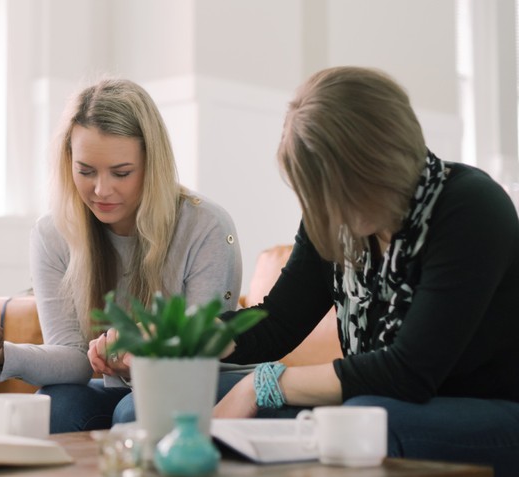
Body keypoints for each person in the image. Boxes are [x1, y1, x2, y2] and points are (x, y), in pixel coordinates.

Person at [215, 66, 519, 473]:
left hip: (491, 413)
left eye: (340, 187)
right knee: (162, 401)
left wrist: (262, 384)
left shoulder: (470, 207)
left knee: (366, 419)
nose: (326, 208)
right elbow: (276, 325)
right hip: (374, 405)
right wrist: (175, 343)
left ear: (383, 160)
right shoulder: (330, 215)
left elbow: (408, 372)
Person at [0, 78, 243, 432]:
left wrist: (141, 357)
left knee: (134, 411)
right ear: (68, 161)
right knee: (56, 404)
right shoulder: (52, 234)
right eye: (86, 171)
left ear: (153, 164)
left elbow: (201, 354)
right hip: (125, 390)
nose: (101, 190)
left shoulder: (205, 227)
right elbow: (73, 360)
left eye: (122, 173)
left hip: (207, 384)